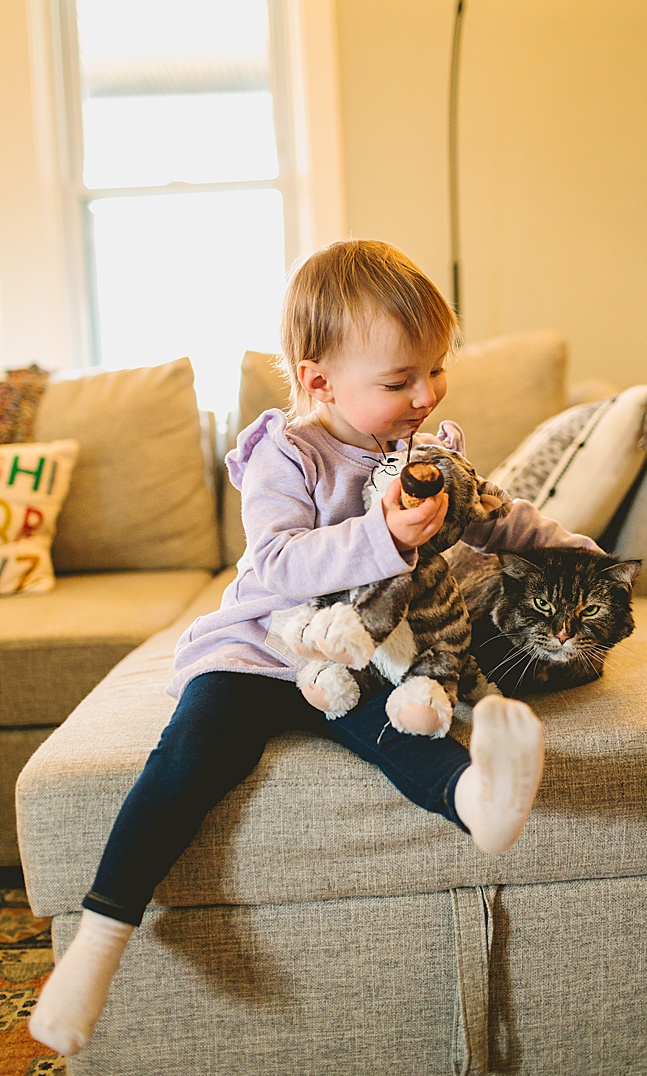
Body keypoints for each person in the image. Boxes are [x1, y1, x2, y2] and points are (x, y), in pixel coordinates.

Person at [30, 239, 597, 1056]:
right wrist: (381, 535)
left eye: (435, 371)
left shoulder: (424, 456)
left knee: (407, 731)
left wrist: (576, 554)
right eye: (400, 382)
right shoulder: (283, 453)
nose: (425, 396)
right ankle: (100, 939)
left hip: (356, 654)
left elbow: (498, 514)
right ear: (317, 380)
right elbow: (277, 564)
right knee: (195, 754)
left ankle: (481, 803)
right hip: (263, 647)